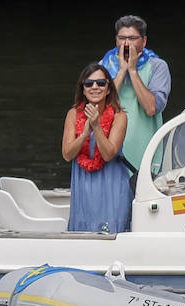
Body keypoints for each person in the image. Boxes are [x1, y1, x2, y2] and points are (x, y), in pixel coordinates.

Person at [62, 63, 132, 233]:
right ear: (83, 89)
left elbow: (108, 154)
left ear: (108, 89)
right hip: (84, 185)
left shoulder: (119, 116)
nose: (95, 87)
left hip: (112, 184)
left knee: (112, 231)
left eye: (101, 83)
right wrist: (85, 133)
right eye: (89, 83)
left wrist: (97, 127)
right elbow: (67, 154)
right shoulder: (73, 114)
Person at [99, 14, 171, 173]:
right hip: (110, 150)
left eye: (132, 38)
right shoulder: (103, 66)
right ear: (116, 40)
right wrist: (122, 70)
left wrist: (132, 70)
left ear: (144, 41)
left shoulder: (158, 67)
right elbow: (99, 105)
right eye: (122, 38)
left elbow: (151, 108)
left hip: (144, 152)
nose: (126, 43)